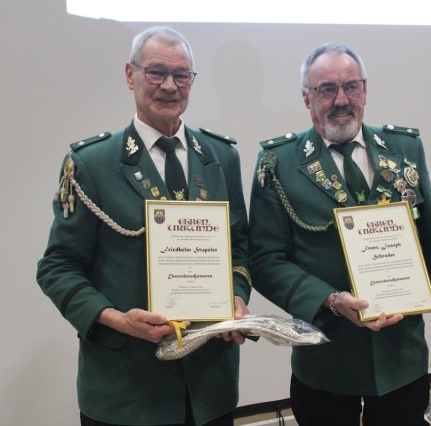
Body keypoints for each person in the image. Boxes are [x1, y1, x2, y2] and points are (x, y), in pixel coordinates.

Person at [248, 42, 431, 425]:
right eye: (327, 89)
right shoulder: (280, 162)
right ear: (307, 97)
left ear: (365, 90)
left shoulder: (404, 149)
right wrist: (330, 299)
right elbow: (264, 260)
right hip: (326, 364)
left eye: (351, 86)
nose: (341, 100)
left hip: (401, 361)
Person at [36, 26, 252, 426]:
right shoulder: (92, 164)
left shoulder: (221, 156)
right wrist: (116, 319)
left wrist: (236, 299)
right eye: (156, 72)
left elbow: (239, 248)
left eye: (181, 74)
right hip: (126, 390)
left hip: (208, 388)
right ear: (130, 75)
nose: (169, 86)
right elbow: (57, 267)